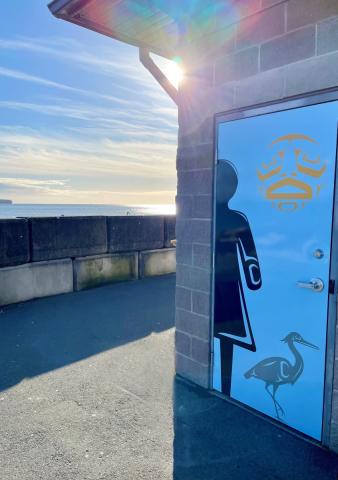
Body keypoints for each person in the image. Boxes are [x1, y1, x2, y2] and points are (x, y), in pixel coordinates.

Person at [214, 160, 262, 395]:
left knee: (215, 330)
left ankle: (219, 383)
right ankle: (225, 387)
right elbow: (250, 257)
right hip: (230, 284)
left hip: (214, 282)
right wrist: (254, 281)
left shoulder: (207, 217)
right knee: (227, 337)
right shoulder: (237, 219)